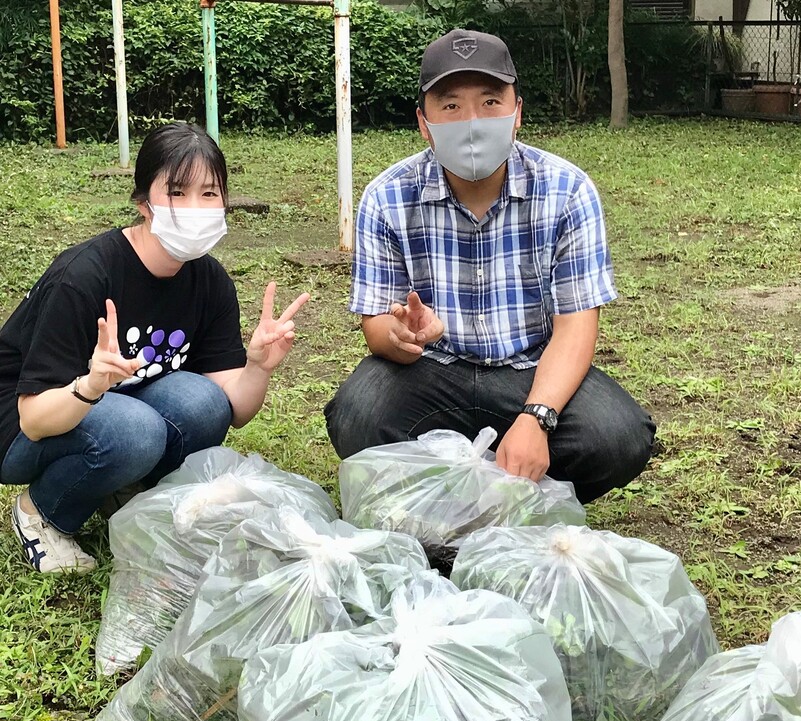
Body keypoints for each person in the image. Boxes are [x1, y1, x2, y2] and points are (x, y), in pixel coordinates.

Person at [324, 29, 655, 504]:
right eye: (451, 105)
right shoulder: (387, 197)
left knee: (617, 435)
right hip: (432, 371)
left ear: (517, 113)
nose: (472, 122)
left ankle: (506, 480)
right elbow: (376, 326)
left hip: (531, 369)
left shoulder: (567, 191)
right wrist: (403, 337)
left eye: (490, 101)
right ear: (424, 122)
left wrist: (537, 417)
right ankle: (460, 491)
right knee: (357, 416)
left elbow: (576, 326)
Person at [0, 122, 309, 574]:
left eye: (209, 193)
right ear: (144, 203)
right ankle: (40, 513)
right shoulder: (85, 277)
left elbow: (233, 408)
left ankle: (126, 486)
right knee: (136, 431)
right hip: (21, 422)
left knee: (204, 402)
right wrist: (89, 385)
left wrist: (258, 366)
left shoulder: (209, 280)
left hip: (111, 405)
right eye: (177, 192)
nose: (195, 208)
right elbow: (33, 417)